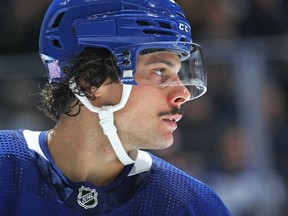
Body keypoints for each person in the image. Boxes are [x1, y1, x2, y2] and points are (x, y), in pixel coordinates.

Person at [0, 0, 231, 215]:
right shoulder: (5, 165)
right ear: (92, 81)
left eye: (178, 74)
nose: (183, 93)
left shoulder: (192, 205)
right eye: (160, 71)